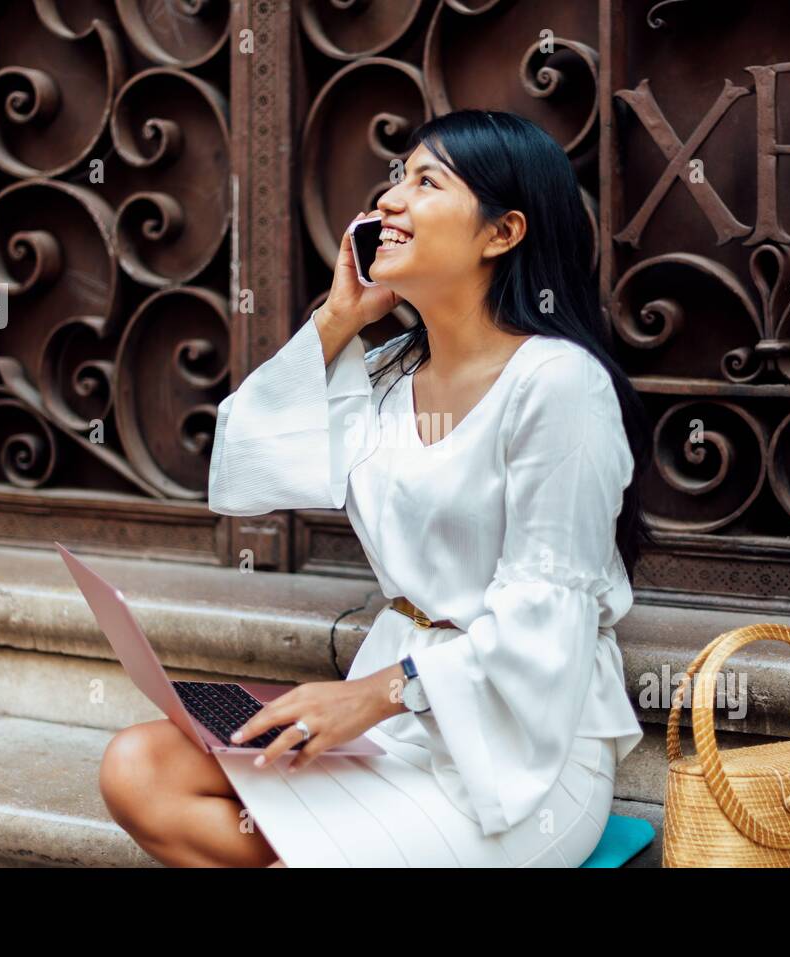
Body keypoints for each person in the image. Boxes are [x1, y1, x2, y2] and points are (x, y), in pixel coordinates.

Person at [98, 109, 652, 867]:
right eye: (397, 177)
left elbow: (542, 632)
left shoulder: (559, 386)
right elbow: (239, 471)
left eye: (427, 181)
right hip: (389, 719)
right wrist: (336, 320)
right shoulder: (387, 374)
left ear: (503, 232)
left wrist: (375, 695)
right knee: (140, 766)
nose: (389, 199)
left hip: (520, 751)